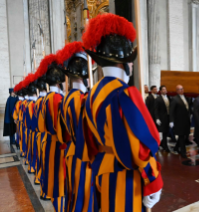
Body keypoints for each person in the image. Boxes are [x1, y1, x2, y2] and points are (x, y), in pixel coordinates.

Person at [81, 13, 162, 211]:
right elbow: (138, 146)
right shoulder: (124, 93)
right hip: (125, 175)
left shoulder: (91, 95)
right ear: (124, 62)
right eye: (131, 60)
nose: (132, 65)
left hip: (102, 173)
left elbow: (88, 143)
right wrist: (153, 179)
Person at [56, 41, 95, 211]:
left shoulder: (64, 99)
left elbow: (61, 134)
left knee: (72, 194)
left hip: (70, 151)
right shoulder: (84, 99)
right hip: (84, 154)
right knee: (84, 197)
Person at [36, 53, 66, 211]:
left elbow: (41, 125)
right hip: (58, 145)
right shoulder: (58, 99)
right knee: (59, 186)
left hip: (47, 142)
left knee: (53, 184)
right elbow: (61, 129)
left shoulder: (45, 99)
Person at [169, 84, 192, 158]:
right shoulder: (175, 99)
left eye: (182, 88)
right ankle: (183, 152)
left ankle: (176, 147)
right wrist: (171, 121)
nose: (181, 90)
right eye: (179, 89)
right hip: (179, 121)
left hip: (186, 120)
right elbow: (171, 111)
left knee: (184, 135)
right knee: (181, 136)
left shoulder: (185, 97)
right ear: (176, 91)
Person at [155, 85, 171, 152]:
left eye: (165, 89)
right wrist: (157, 118)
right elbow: (156, 110)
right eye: (163, 89)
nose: (165, 90)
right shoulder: (158, 99)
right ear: (161, 91)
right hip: (162, 117)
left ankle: (163, 143)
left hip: (168, 117)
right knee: (164, 132)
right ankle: (165, 146)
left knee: (167, 131)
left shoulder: (168, 98)